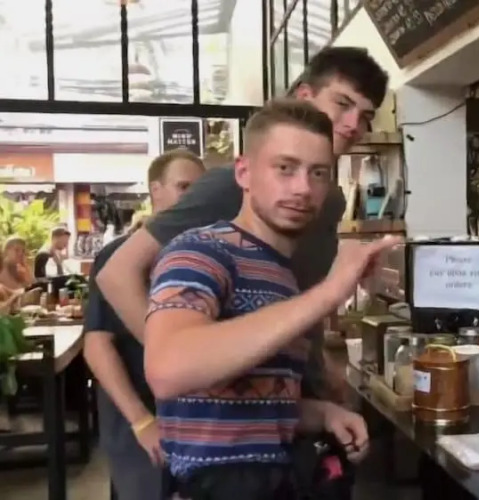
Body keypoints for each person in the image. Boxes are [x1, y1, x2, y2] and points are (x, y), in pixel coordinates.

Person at [96, 46, 388, 404]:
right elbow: (117, 274)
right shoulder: (228, 188)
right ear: (304, 96)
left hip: (294, 404)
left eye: (365, 116)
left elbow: (295, 300)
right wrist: (193, 371)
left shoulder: (330, 201)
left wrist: (318, 367)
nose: (353, 124)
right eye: (342, 104)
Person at [143, 98, 399, 498]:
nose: (303, 188)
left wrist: (324, 414)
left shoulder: (281, 275)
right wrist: (330, 292)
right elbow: (168, 369)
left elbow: (251, 406)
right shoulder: (201, 251)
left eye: (318, 173)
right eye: (285, 168)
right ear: (244, 172)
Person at [82, 150, 207, 500]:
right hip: (138, 412)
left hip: (195, 418)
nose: (193, 199)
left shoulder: (204, 255)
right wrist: (141, 421)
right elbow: (97, 345)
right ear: (156, 191)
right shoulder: (119, 257)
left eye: (199, 190)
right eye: (184, 187)